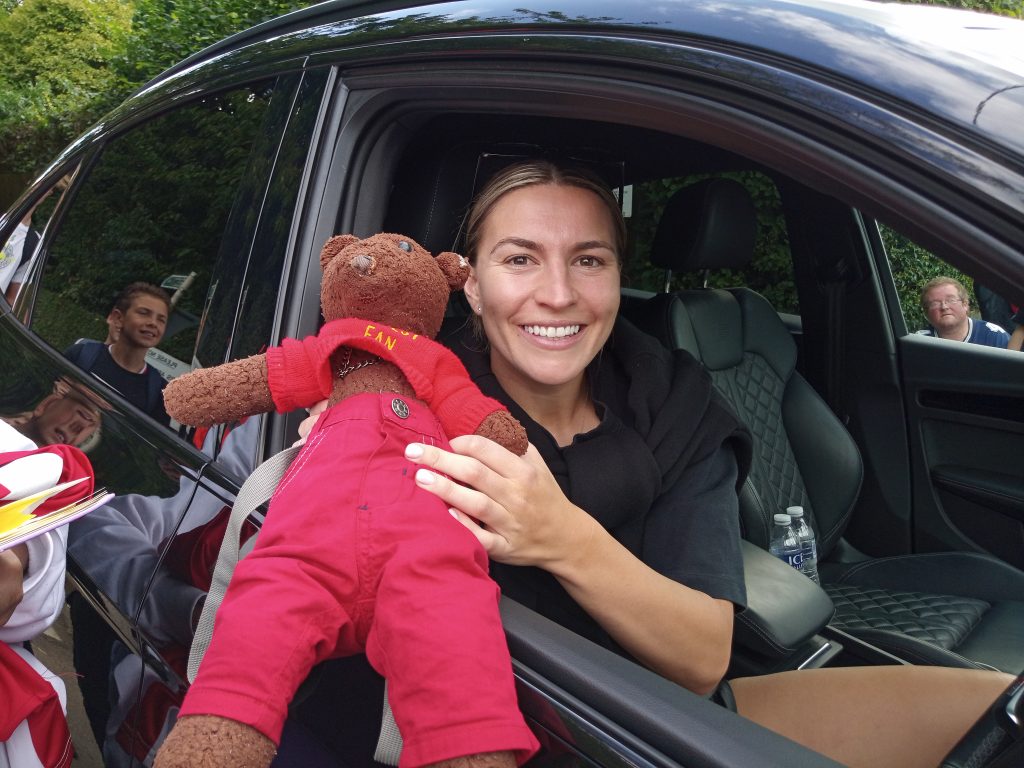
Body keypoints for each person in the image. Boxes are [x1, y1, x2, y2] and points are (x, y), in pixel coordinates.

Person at [305, 159, 1012, 768]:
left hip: (670, 716)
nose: (558, 293)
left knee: (999, 714)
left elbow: (701, 661)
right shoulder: (405, 402)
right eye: (520, 259)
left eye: (590, 260)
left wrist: (561, 537)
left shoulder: (675, 398)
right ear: (471, 285)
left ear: (618, 277)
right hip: (521, 729)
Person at [64, 282, 172, 425]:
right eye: (143, 313)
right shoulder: (81, 354)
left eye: (161, 320)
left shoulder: (159, 392)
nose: (153, 323)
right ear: (118, 318)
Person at [917, 276, 1009, 348]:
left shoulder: (995, 337)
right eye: (935, 303)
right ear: (926, 313)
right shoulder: (919, 343)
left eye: (951, 300)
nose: (944, 307)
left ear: (965, 304)